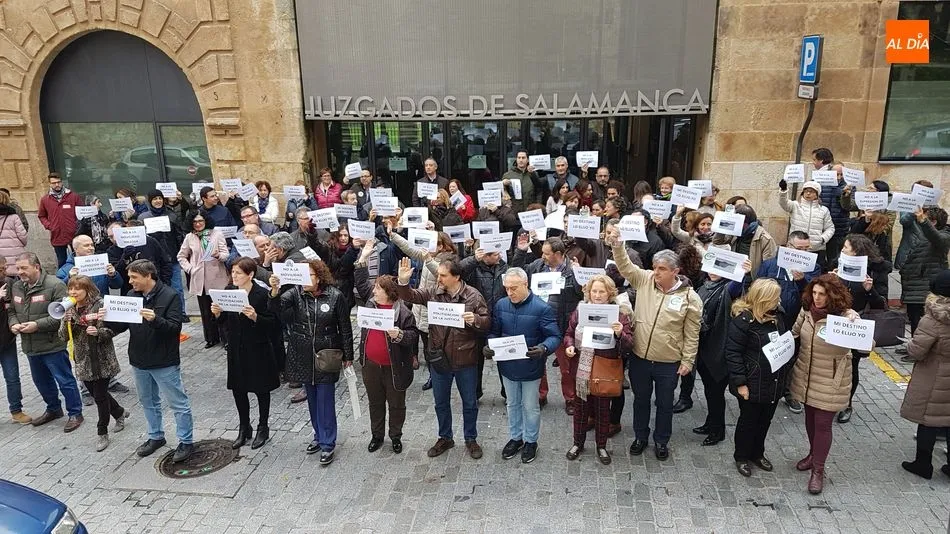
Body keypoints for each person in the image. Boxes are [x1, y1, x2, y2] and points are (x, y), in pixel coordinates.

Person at [607, 238, 702, 461]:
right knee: (640, 400)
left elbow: (692, 333)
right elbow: (625, 266)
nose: (656, 272)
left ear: (675, 271)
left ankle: (661, 440)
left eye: (662, 269)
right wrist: (618, 246)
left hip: (668, 361)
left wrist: (688, 360)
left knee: (664, 403)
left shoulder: (690, 298)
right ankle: (640, 437)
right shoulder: (645, 280)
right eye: (654, 267)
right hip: (640, 357)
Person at [397, 257, 490, 460]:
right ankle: (445, 437)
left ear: (456, 277)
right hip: (440, 359)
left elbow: (486, 323)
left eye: (443, 275)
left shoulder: (473, 296)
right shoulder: (434, 292)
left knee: (469, 403)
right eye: (438, 274)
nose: (438, 278)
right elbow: (410, 296)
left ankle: (471, 438)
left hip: (465, 359)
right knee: (440, 402)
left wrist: (476, 320)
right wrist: (403, 282)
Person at [107, 259, 193, 462]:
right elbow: (122, 326)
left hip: (164, 361)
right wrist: (107, 318)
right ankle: (156, 436)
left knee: (178, 403)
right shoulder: (131, 295)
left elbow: (174, 328)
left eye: (134, 277)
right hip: (139, 359)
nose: (130, 281)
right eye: (129, 277)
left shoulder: (170, 296)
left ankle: (186, 441)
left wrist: (155, 320)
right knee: (148, 401)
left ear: (148, 276)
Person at [269, 260, 353, 466]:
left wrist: (348, 356)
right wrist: (274, 292)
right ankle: (318, 434)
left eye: (309, 276)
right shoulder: (295, 294)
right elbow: (276, 310)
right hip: (303, 354)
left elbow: (345, 327)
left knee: (325, 400)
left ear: (319, 277)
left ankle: (328, 442)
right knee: (312, 399)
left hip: (327, 354)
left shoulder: (335, 296)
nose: (304, 280)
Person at [789, 274, 858, 494]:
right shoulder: (807, 311)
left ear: (833, 296)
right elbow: (794, 333)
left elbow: (867, 345)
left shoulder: (846, 317)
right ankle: (812, 454)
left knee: (822, 424)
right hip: (807, 375)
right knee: (810, 419)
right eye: (815, 293)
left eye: (822, 294)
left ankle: (818, 470)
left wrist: (855, 322)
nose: (817, 298)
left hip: (831, 379)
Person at [486, 268, 561, 464]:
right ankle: (516, 437)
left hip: (530, 367)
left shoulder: (541, 308)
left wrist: (544, 348)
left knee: (530, 406)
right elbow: (494, 331)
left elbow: (554, 336)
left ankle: (531, 441)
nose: (509, 292)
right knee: (512, 404)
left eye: (514, 288)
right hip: (507, 367)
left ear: (525, 285)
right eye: (507, 288)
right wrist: (489, 345)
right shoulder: (501, 305)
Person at [724, 279, 792, 477]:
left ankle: (757, 453)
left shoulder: (778, 316)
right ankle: (741, 456)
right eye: (775, 298)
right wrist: (741, 383)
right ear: (764, 299)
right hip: (752, 381)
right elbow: (733, 354)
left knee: (765, 421)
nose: (778, 301)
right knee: (748, 422)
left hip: (773, 381)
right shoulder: (744, 321)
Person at [8, 253, 83, 431]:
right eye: (18, 268)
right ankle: (53, 409)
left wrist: (37, 325)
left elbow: (61, 315)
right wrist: (13, 324)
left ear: (36, 267)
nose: (20, 272)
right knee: (41, 381)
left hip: (52, 344)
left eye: (24, 268)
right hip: (30, 345)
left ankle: (75, 413)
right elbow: (11, 310)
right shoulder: (17, 286)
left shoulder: (55, 285)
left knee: (64, 380)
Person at [563, 274, 632, 465]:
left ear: (610, 293)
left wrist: (620, 333)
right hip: (582, 367)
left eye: (602, 291)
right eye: (594, 291)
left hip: (605, 368)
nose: (597, 295)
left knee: (603, 410)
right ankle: (577, 443)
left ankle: (601, 446)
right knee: (581, 409)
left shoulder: (619, 314)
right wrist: (569, 345)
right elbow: (569, 333)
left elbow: (628, 345)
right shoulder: (580, 310)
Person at [211, 258, 280, 450]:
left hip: (257, 348)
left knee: (261, 389)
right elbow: (223, 321)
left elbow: (274, 324)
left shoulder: (261, 294)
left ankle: (263, 427)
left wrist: (255, 317)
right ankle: (244, 427)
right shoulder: (229, 291)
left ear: (250, 275)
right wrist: (217, 313)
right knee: (238, 389)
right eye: (233, 272)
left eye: (238, 273)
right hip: (236, 348)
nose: (234, 276)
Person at [354, 252, 418, 454]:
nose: (374, 290)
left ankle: (395, 436)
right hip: (371, 365)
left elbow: (413, 337)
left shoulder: (403, 312)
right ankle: (377, 435)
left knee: (396, 404)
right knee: (375, 402)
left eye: (378, 288)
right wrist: (362, 259)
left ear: (389, 293)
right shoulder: (370, 303)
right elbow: (361, 282)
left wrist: (400, 335)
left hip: (394, 367)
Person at [512, 236, 584, 413]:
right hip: (538, 323)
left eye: (546, 253)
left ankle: (570, 398)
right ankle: (540, 395)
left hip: (562, 325)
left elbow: (580, 293)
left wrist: (579, 275)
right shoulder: (538, 266)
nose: (542, 256)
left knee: (567, 367)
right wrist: (520, 252)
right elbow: (517, 273)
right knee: (538, 362)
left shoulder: (572, 269)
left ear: (558, 254)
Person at [57, 276, 127, 451]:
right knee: (97, 394)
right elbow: (62, 337)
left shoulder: (100, 305)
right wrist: (66, 321)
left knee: (100, 397)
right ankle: (119, 412)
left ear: (87, 290)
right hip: (82, 360)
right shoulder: (69, 308)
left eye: (77, 289)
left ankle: (102, 432)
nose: (73, 292)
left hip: (102, 359)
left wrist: (98, 332)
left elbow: (113, 330)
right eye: (70, 288)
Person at [755, 231, 820, 414]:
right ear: (788, 247)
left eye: (807, 249)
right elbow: (758, 288)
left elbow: (814, 296)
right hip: (771, 320)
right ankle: (765, 387)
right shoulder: (770, 265)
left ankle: (789, 392)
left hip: (797, 322)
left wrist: (802, 281)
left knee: (793, 357)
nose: (803, 253)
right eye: (799, 248)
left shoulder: (813, 267)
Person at [898, 269, 950, 480]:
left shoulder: (933, 319)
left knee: (928, 420)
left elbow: (917, 351)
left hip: (933, 376)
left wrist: (909, 344)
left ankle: (923, 464)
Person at [835, 234, 891, 423]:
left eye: (846, 248)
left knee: (852, 365)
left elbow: (881, 304)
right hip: (836, 321)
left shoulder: (876, 271)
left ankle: (847, 404)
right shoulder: (838, 264)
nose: (842, 250)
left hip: (857, 325)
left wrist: (869, 290)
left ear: (857, 252)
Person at [178, 212, 229, 348]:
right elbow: (181, 256)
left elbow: (226, 254)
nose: (198, 224)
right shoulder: (189, 237)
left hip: (217, 277)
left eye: (201, 221)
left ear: (206, 221)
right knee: (205, 311)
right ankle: (211, 338)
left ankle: (226, 339)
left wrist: (219, 255)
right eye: (195, 222)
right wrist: (190, 269)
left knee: (221, 309)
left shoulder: (216, 234)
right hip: (200, 278)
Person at [899, 206, 950, 342]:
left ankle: (921, 348)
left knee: (922, 320)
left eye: (923, 218)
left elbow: (936, 238)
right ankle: (914, 345)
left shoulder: (945, 236)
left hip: (925, 285)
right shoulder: (922, 234)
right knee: (914, 318)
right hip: (913, 284)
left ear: (932, 222)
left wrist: (923, 221)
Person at [138, 190, 186, 309]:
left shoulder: (171, 215)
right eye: (155, 199)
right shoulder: (143, 217)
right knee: (155, 288)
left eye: (160, 198)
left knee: (177, 288)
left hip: (171, 257)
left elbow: (179, 236)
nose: (158, 201)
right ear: (150, 201)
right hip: (152, 260)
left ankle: (181, 313)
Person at [0, 257, 30, 424]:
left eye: (5, 268)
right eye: (1, 270)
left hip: (7, 339)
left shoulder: (9, 283)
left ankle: (16, 410)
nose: (4, 273)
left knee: (12, 377)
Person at [779, 180, 834, 269]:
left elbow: (830, 228)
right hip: (796, 249)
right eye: (806, 191)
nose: (808, 193)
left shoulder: (824, 210)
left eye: (811, 191)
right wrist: (783, 190)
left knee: (815, 274)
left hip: (816, 250)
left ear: (817, 194)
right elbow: (783, 203)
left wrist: (822, 239)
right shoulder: (795, 205)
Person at [712, 204, 776, 277]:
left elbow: (768, 267)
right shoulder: (736, 232)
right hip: (736, 275)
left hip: (753, 278)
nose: (734, 224)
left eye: (736, 222)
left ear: (745, 223)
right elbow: (717, 241)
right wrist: (723, 225)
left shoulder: (765, 239)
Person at [38, 172, 84, 267]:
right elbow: (42, 216)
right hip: (57, 235)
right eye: (54, 183)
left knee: (79, 260)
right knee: (62, 261)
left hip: (74, 234)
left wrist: (77, 226)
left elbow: (81, 212)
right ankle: (63, 276)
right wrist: (49, 226)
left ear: (62, 182)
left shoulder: (73, 196)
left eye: (58, 182)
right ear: (50, 184)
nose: (57, 185)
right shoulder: (45, 200)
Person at [895, 179, 936, 269]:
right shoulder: (908, 203)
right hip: (910, 247)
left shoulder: (934, 206)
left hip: (928, 249)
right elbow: (904, 221)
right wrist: (915, 209)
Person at [0, 189, 27, 274]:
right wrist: (21, 245)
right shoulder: (14, 216)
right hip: (15, 251)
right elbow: (22, 235)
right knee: (17, 274)